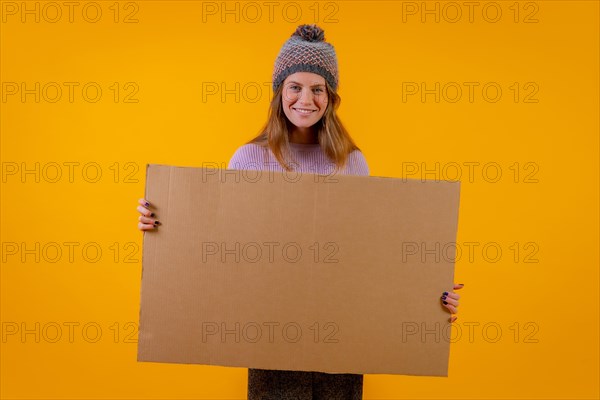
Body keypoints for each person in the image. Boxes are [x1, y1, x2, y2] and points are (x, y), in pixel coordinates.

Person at [136, 24, 463, 400]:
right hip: (269, 342)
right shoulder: (250, 160)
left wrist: (428, 292)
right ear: (279, 93)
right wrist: (162, 223)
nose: (305, 99)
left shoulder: (352, 163)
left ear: (331, 97)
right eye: (295, 86)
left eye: (317, 89)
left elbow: (374, 256)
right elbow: (219, 247)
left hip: (341, 343)